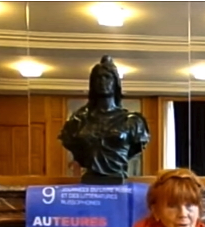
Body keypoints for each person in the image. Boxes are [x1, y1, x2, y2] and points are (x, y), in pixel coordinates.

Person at [59, 55, 150, 184]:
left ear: (115, 82)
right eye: (98, 78)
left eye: (107, 77)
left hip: (117, 177)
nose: (102, 82)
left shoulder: (133, 122)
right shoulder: (78, 121)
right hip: (90, 179)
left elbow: (135, 146)